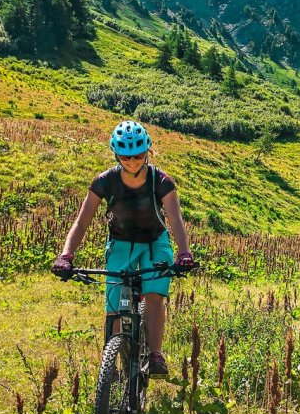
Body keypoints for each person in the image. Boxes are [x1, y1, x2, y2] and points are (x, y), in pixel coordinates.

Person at [51, 120, 195, 375]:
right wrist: (66, 255)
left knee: (153, 295)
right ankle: (112, 365)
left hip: (154, 242)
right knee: (114, 304)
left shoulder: (161, 181)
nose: (132, 161)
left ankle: (155, 355)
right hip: (121, 243)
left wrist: (184, 253)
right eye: (126, 156)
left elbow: (175, 220)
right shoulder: (104, 182)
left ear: (147, 152)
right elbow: (82, 221)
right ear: (117, 154)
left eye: (138, 155)